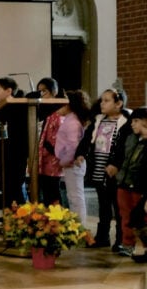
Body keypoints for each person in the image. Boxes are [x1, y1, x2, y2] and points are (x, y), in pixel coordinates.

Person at [75, 88, 132, 251]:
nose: (102, 103)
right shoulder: (98, 120)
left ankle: (120, 239)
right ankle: (102, 237)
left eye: (107, 101)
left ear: (118, 104)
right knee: (103, 205)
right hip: (99, 170)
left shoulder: (126, 123)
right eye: (102, 100)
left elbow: (124, 148)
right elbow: (87, 139)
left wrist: (115, 164)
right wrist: (80, 153)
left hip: (114, 172)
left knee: (118, 207)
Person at [112, 107, 147, 259]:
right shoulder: (132, 138)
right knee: (125, 216)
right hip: (125, 182)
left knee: (141, 218)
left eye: (136, 121)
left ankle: (144, 246)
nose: (132, 124)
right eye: (132, 121)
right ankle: (127, 244)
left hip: (140, 186)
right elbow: (124, 158)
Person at [0, 77, 28, 210]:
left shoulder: (20, 107)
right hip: (1, 152)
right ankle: (8, 215)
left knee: (15, 185)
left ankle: (20, 216)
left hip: (16, 153)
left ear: (9, 91)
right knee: (4, 185)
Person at [54, 90, 91, 227]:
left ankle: (80, 227)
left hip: (73, 163)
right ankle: (76, 225)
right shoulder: (70, 119)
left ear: (69, 105)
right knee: (73, 196)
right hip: (70, 163)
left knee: (76, 197)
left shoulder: (72, 122)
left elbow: (73, 146)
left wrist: (64, 161)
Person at [38, 100, 64, 206]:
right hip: (45, 159)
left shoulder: (58, 117)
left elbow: (57, 141)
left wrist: (47, 147)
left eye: (44, 92)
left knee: (53, 191)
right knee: (47, 190)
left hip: (53, 159)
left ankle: (57, 214)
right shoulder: (49, 115)